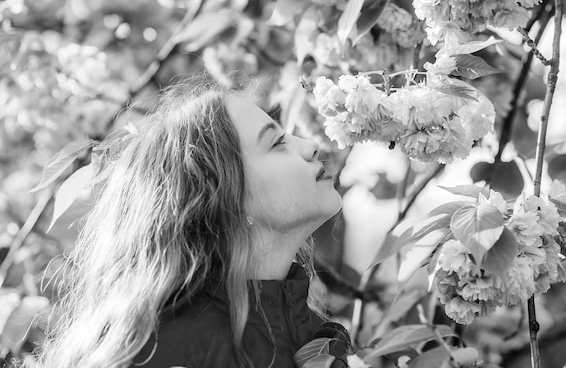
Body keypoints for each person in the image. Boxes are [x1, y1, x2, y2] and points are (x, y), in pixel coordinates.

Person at [25, 75, 350, 368]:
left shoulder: (307, 332)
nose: (310, 145)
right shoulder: (162, 353)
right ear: (228, 197)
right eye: (276, 143)